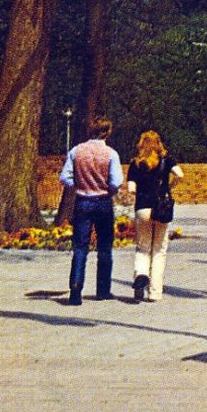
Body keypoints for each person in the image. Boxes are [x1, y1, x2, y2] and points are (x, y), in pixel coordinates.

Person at [60, 116, 123, 305]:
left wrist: (79, 184)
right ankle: (103, 290)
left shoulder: (76, 151)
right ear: (107, 132)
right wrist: (107, 189)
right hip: (103, 201)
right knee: (104, 247)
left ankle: (76, 289)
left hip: (83, 201)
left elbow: (65, 177)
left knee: (80, 247)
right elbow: (116, 181)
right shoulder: (111, 153)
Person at [125, 130, 183, 302]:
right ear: (159, 144)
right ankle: (155, 292)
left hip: (142, 208)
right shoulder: (167, 161)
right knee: (159, 250)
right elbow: (180, 174)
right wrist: (169, 187)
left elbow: (131, 188)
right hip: (161, 208)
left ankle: (141, 274)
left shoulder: (135, 164)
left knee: (143, 248)